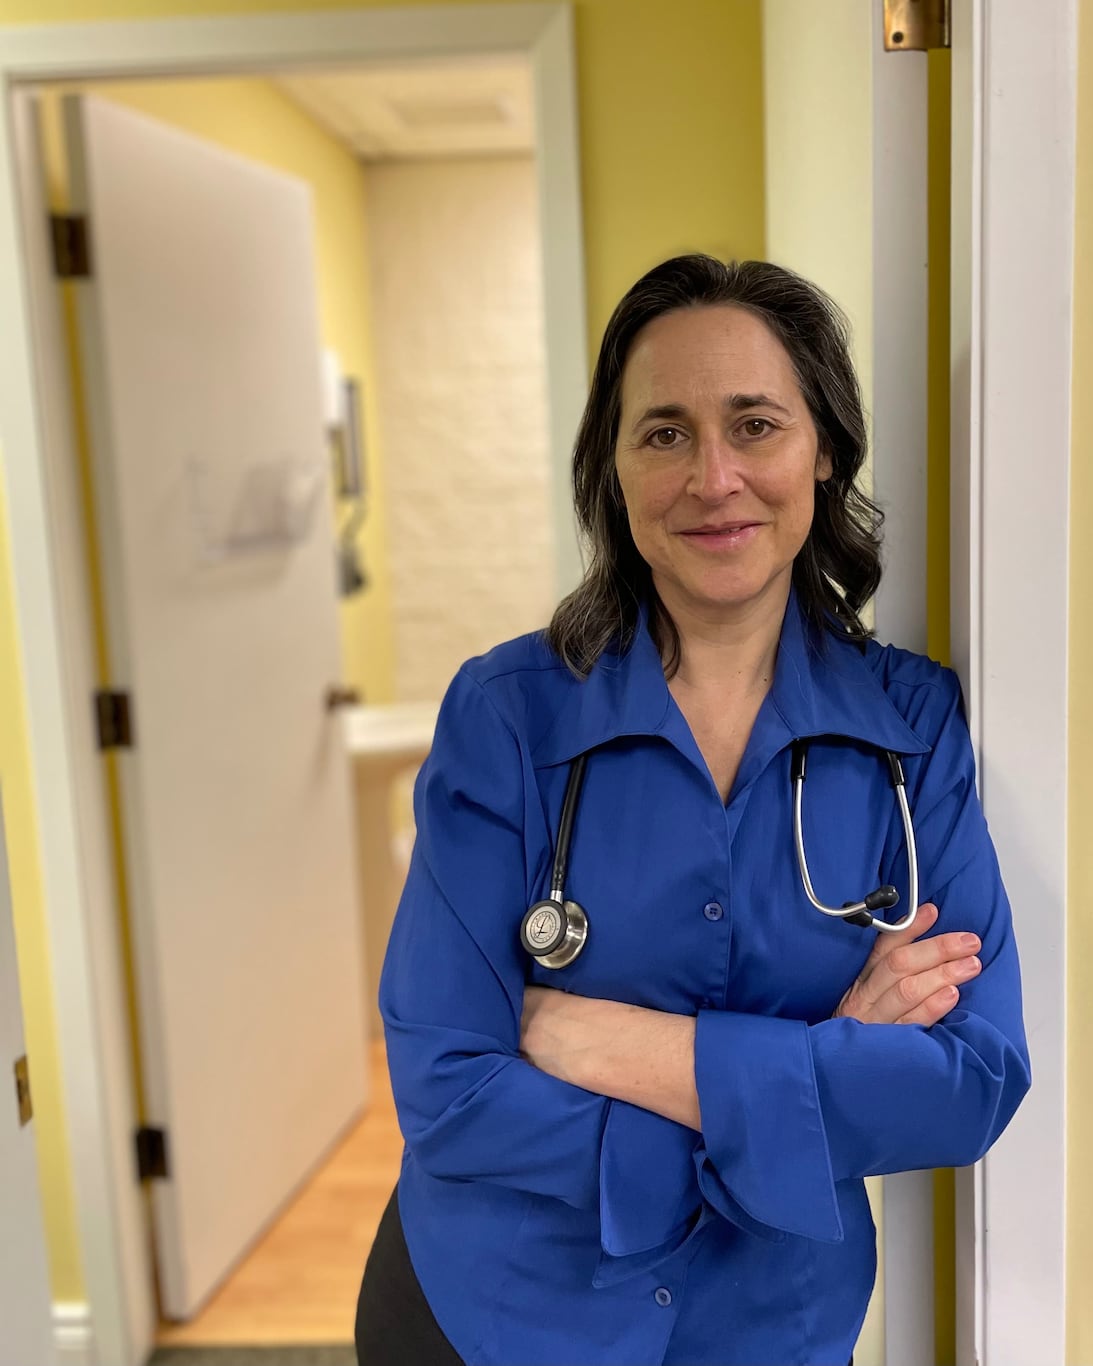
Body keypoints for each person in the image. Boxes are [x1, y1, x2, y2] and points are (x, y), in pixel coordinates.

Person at [354, 254, 1030, 1366]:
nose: (712, 477)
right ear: (612, 472)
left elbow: (970, 1081)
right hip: (493, 1315)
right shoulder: (510, 715)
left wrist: (609, 1042)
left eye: (754, 424)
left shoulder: (908, 726)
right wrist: (811, 1076)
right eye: (663, 432)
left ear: (821, 451)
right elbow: (449, 1083)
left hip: (769, 1324)